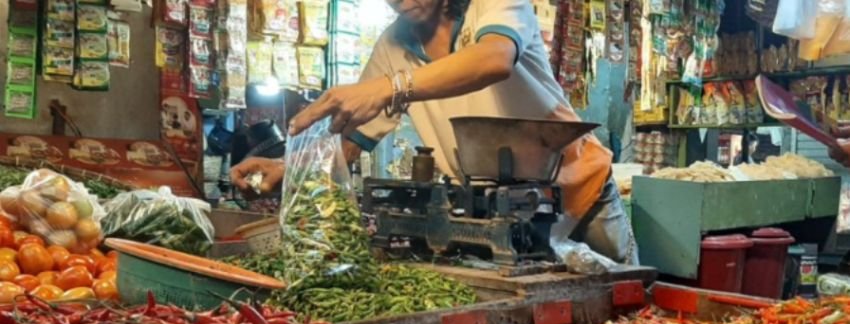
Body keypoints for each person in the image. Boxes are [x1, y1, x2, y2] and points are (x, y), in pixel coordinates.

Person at [232, 0, 637, 264]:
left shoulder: (493, 6)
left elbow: (494, 58)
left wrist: (388, 88)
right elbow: (352, 141)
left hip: (581, 195)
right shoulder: (392, 45)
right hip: (493, 212)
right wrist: (288, 165)